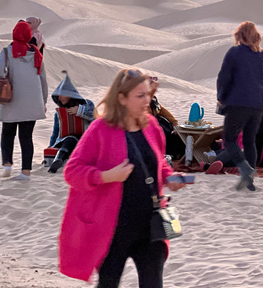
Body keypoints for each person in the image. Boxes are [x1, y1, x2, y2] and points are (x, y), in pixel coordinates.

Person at [59, 68, 186, 288]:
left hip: (151, 225)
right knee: (108, 283)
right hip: (113, 229)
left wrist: (170, 177)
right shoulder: (101, 129)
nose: (147, 101)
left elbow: (158, 163)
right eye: (140, 96)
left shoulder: (152, 126)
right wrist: (106, 176)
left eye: (149, 94)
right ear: (122, 98)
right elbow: (72, 171)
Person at [213, 21, 263, 191]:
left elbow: (224, 77)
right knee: (249, 141)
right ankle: (249, 181)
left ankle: (245, 168)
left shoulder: (234, 52)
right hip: (258, 105)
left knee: (229, 139)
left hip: (237, 102)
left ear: (239, 36)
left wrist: (221, 97)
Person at [0, 20, 47, 180]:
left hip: (12, 101)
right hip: (32, 103)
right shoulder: (36, 54)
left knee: (7, 134)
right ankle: (25, 172)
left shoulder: (7, 52)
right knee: (26, 137)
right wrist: (43, 101)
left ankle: (7, 166)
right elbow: (43, 80)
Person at [48, 71, 96, 173]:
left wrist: (79, 111)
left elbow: (94, 117)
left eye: (63, 95)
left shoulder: (88, 104)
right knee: (69, 140)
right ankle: (58, 160)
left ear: (70, 95)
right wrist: (50, 149)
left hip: (87, 139)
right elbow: (56, 133)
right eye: (59, 96)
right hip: (68, 141)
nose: (61, 98)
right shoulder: (59, 113)